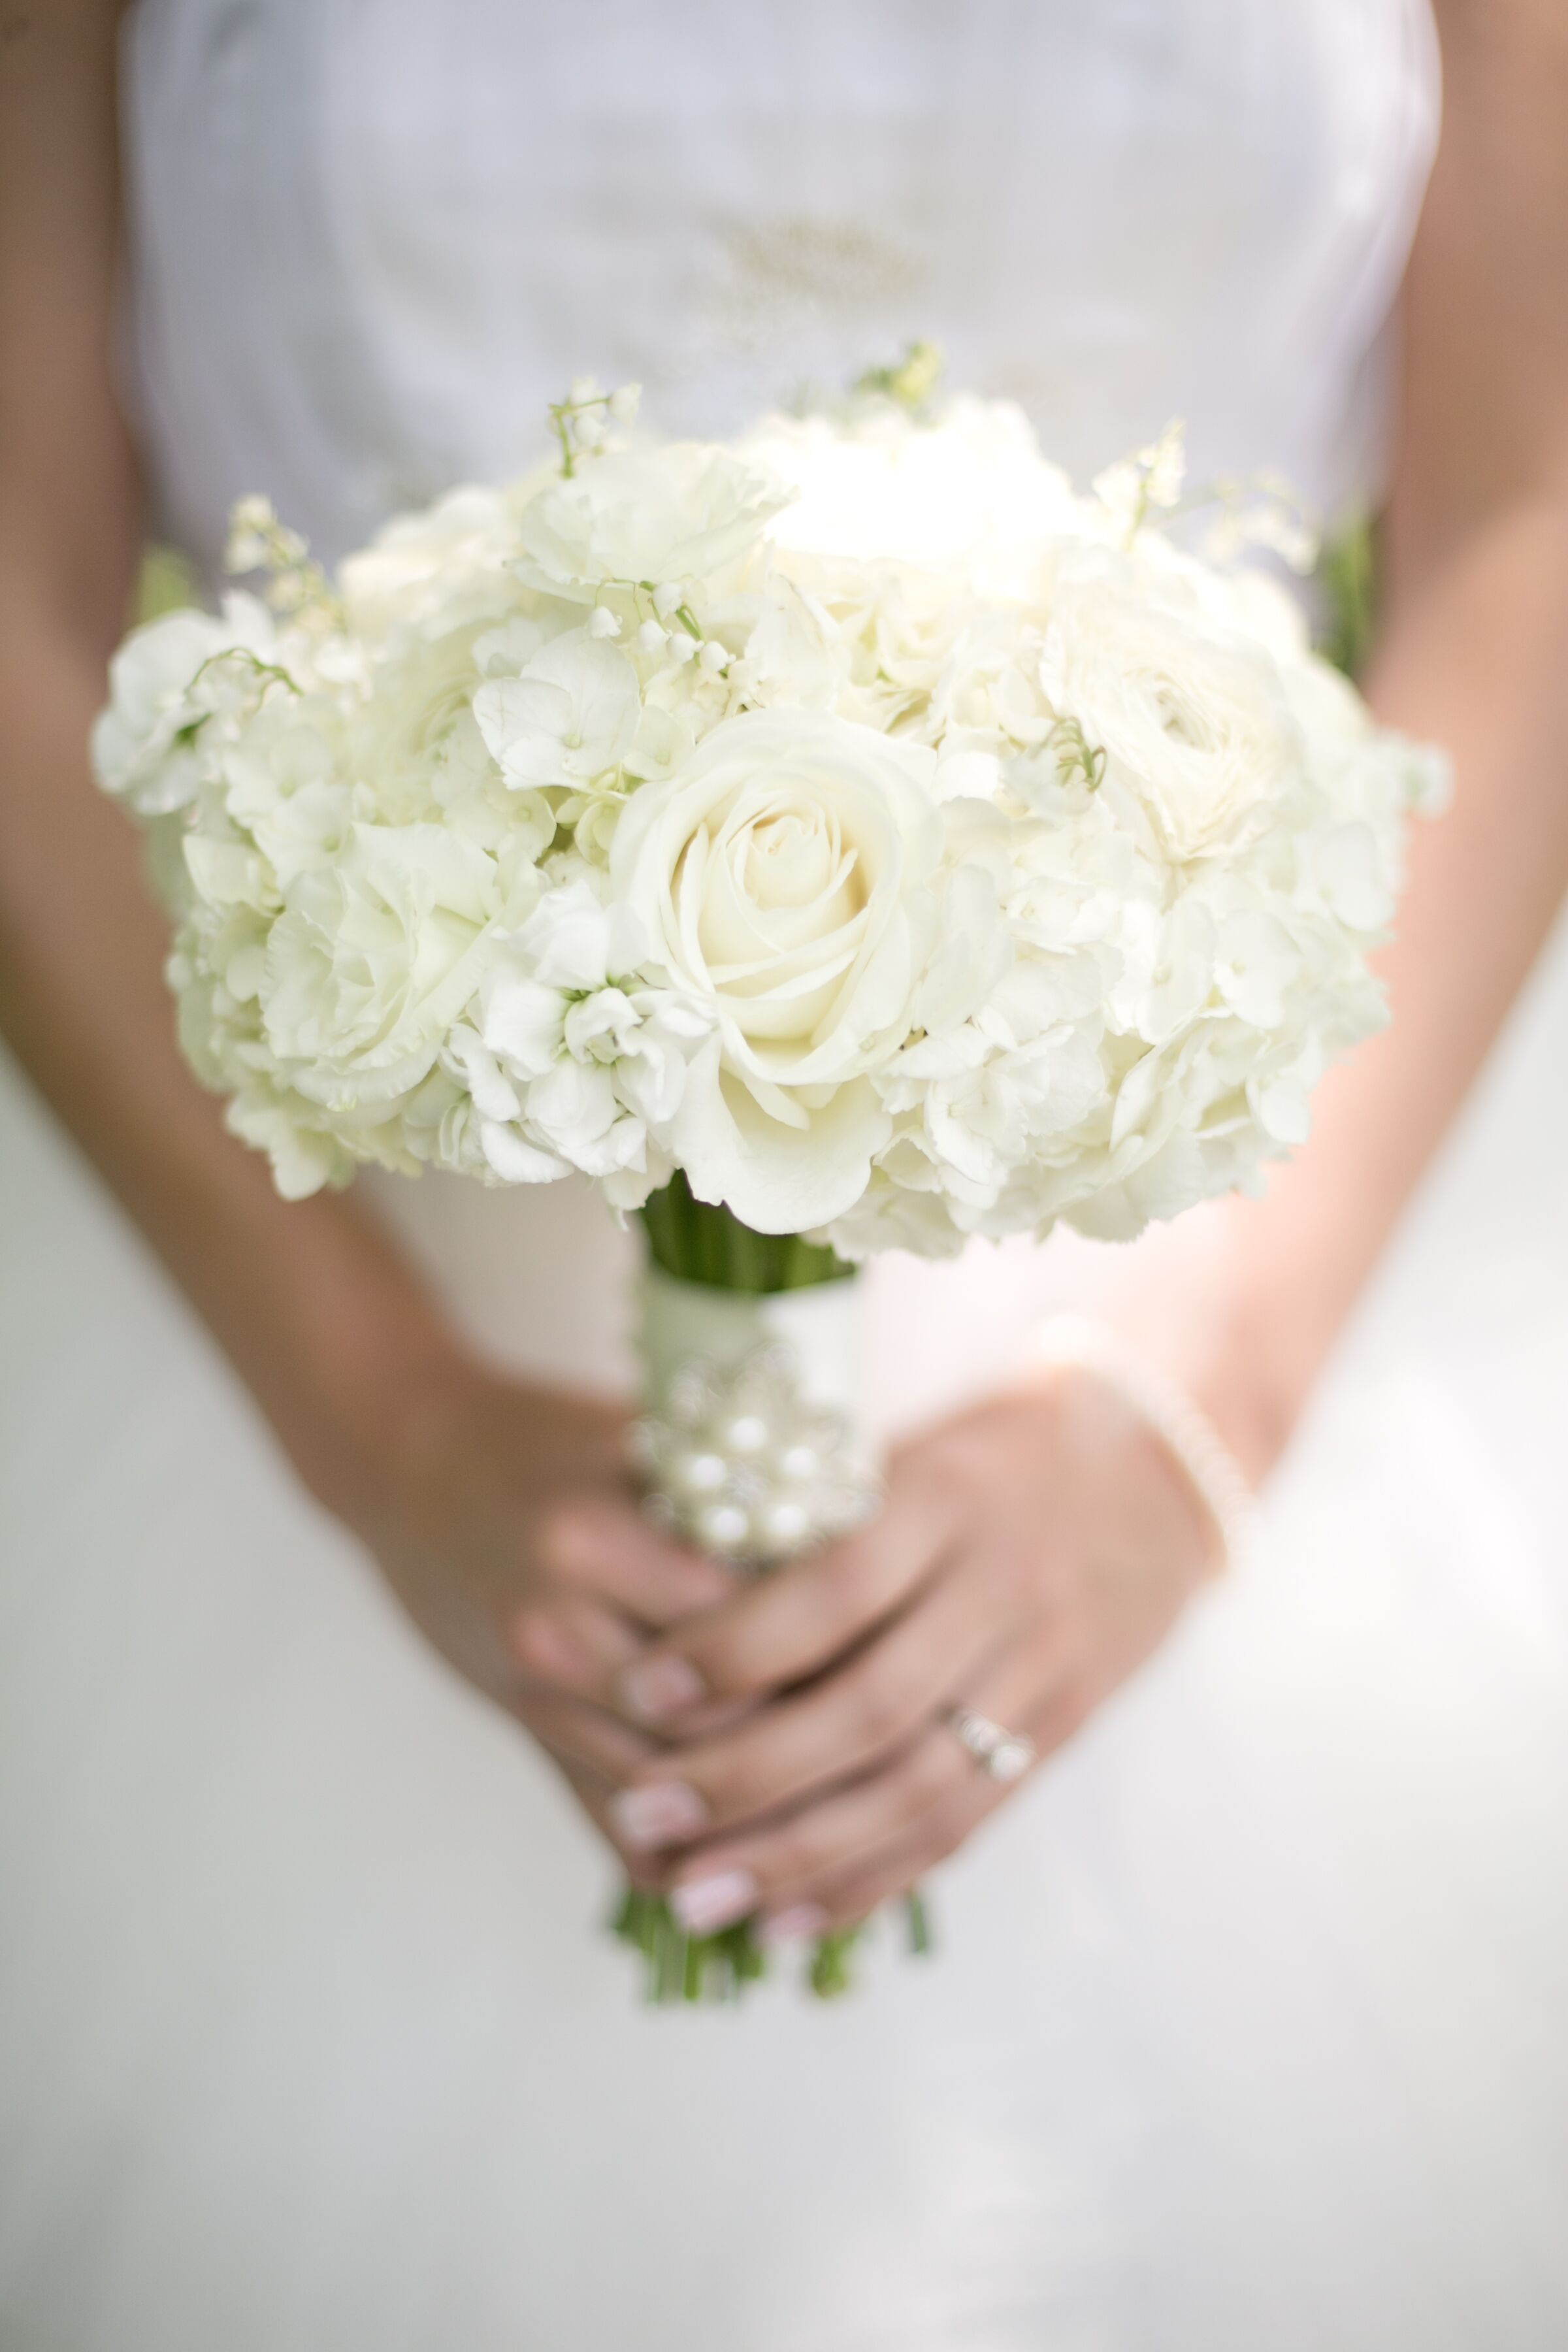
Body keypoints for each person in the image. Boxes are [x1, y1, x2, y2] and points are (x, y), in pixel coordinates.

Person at [3, 2, 1567, 2344]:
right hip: (306, 1301)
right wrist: (377, 1421)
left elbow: (1530, 513)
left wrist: (1198, 1420)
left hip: (1251, 1273)